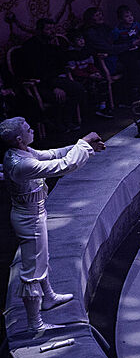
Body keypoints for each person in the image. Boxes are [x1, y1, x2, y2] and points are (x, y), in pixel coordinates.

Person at [2, 117, 104, 335]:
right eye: (28, 129)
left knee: (42, 259)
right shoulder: (22, 164)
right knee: (33, 270)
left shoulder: (22, 152)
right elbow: (64, 165)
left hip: (34, 213)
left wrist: (82, 146)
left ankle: (48, 297)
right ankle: (35, 324)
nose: (32, 130)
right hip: (28, 219)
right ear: (19, 139)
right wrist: (83, 144)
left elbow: (52, 154)